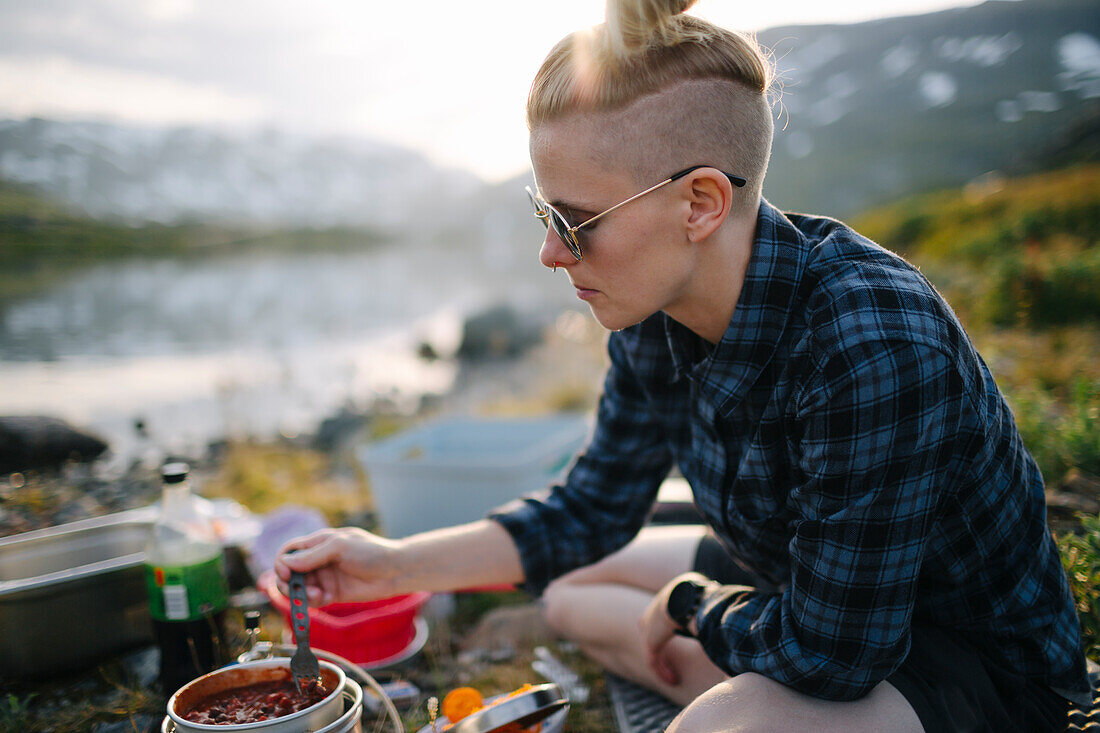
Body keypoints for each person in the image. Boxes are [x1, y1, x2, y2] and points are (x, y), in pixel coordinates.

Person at [275, 0, 1091, 730]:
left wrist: (692, 604)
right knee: (571, 594)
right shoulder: (647, 314)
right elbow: (588, 511)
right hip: (806, 593)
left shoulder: (869, 342)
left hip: (967, 665)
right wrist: (387, 564)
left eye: (575, 220)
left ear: (700, 203)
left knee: (719, 714)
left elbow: (836, 655)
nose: (550, 252)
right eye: (542, 209)